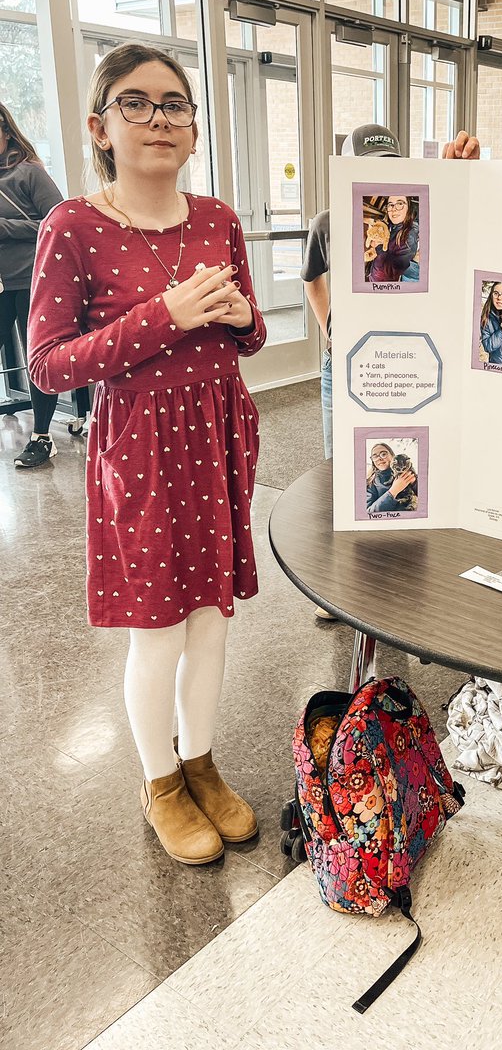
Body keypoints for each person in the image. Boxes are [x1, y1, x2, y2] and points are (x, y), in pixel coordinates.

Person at [28, 42, 266, 866]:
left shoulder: (219, 219)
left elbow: (254, 337)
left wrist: (235, 316)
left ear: (195, 130)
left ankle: (201, 761)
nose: (158, 119)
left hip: (216, 434)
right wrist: (163, 315)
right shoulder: (75, 227)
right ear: (100, 126)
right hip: (141, 448)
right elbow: (48, 365)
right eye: (136, 103)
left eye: (174, 104)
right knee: (156, 633)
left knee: (211, 624)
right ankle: (160, 780)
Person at [301, 123, 402, 618]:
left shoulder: (411, 225)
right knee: (339, 468)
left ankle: (394, 574)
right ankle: (339, 587)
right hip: (340, 362)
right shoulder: (328, 222)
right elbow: (311, 279)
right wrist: (328, 329)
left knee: (396, 460)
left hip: (401, 362)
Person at [0, 103, 70, 468]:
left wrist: (5, 227)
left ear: (6, 132)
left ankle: (42, 437)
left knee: (35, 360)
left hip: (31, 281)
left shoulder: (28, 174)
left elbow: (58, 222)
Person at [366, 194, 419, 283]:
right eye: (391, 205)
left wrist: (378, 248)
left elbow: (391, 273)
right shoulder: (396, 225)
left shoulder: (409, 235)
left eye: (400, 204)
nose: (394, 209)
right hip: (373, 278)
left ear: (408, 208)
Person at [366, 442, 416, 515]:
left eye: (383, 454)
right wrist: (393, 492)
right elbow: (369, 513)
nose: (379, 458)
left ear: (392, 456)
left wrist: (414, 483)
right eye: (375, 456)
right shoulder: (370, 482)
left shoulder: (406, 470)